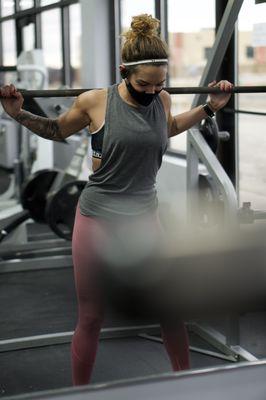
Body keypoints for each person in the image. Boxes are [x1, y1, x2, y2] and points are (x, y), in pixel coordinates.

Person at [0, 14, 233, 386]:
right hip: (97, 222)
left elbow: (168, 127)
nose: (154, 91)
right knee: (92, 317)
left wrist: (210, 107)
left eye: (161, 85)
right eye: (145, 84)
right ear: (124, 71)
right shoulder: (96, 102)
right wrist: (19, 114)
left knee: (170, 311)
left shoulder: (163, 99)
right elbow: (57, 130)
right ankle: (81, 393)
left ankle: (189, 386)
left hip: (144, 219)